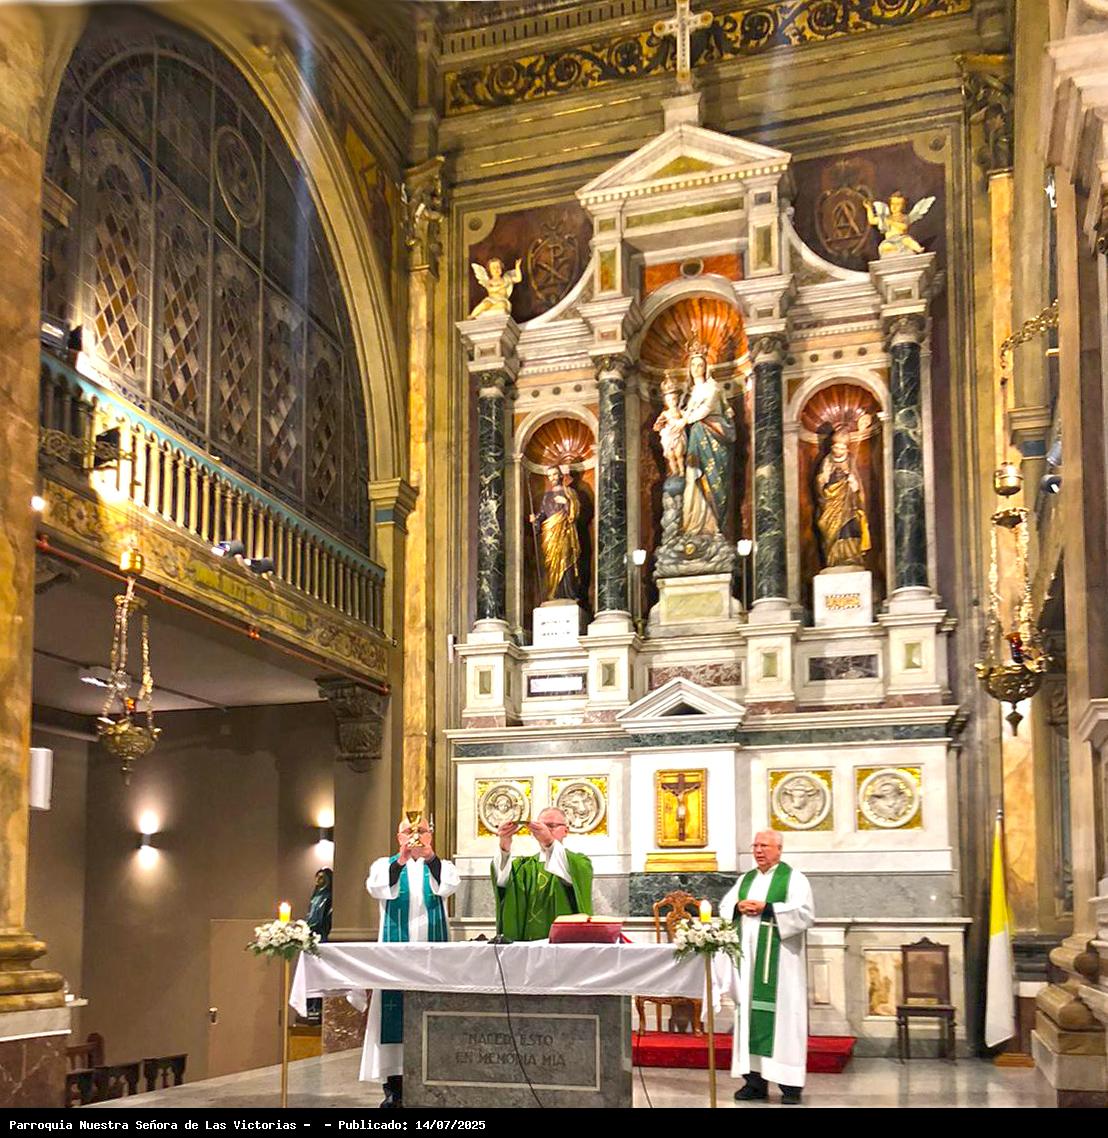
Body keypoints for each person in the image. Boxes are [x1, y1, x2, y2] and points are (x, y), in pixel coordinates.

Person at [362, 817, 459, 1109]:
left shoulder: (442, 865)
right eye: (409, 831)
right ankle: (395, 1089)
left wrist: (430, 858)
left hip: (432, 957)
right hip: (396, 956)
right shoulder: (384, 865)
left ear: (431, 835)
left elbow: (448, 886)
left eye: (421, 831)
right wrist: (401, 861)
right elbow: (377, 888)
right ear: (398, 836)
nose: (415, 836)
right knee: (393, 1015)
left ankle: (436, 1084)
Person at [720, 830, 815, 1105]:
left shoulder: (794, 879)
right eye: (755, 845)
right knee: (749, 1017)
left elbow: (805, 914)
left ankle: (790, 1086)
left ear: (779, 849)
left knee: (785, 1020)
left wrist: (769, 908)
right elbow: (725, 907)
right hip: (749, 963)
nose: (758, 850)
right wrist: (738, 907)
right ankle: (754, 1082)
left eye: (764, 845)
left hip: (781, 967)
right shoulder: (745, 879)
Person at [491, 806, 592, 940]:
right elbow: (503, 882)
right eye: (541, 826)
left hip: (564, 945)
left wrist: (549, 841)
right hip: (528, 943)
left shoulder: (579, 862)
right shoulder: (523, 867)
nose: (545, 831)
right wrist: (504, 843)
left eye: (551, 826)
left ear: (566, 831)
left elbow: (569, 872)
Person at [680, 347, 735, 536]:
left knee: (714, 478)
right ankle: (694, 523)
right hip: (696, 437)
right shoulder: (688, 394)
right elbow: (684, 413)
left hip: (714, 435)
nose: (696, 368)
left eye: (700, 365)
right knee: (693, 477)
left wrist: (683, 421)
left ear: (706, 368)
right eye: (693, 365)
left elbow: (705, 410)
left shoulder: (713, 388)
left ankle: (714, 525)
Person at [815, 426, 871, 568]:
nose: (839, 451)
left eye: (842, 448)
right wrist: (822, 480)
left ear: (846, 449)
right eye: (836, 447)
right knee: (830, 532)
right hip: (831, 504)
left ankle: (852, 558)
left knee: (850, 529)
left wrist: (854, 484)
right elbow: (820, 486)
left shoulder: (850, 460)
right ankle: (834, 560)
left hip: (849, 504)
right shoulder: (827, 461)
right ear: (832, 447)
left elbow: (858, 485)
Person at [529, 465, 582, 602]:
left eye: (554, 474)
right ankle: (555, 592)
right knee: (551, 563)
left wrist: (567, 502)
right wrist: (536, 520)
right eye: (550, 476)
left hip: (564, 531)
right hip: (550, 533)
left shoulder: (569, 492)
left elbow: (576, 512)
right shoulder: (547, 496)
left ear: (560, 475)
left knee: (566, 559)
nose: (552, 478)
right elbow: (543, 513)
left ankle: (569, 593)